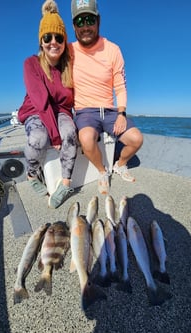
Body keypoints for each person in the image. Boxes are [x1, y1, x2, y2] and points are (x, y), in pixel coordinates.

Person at [69, 0, 144, 195]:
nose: (85, 26)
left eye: (89, 19)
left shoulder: (113, 49)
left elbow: (120, 87)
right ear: (74, 26)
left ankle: (120, 164)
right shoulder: (68, 52)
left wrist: (121, 113)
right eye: (80, 21)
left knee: (136, 139)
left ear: (98, 21)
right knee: (86, 139)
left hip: (110, 111)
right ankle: (103, 171)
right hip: (85, 112)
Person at [18, 0, 77, 208]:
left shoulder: (68, 68)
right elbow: (41, 101)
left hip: (60, 111)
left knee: (70, 132)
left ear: (64, 41)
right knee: (38, 137)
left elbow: (71, 102)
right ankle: (32, 175)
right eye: (48, 37)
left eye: (59, 37)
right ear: (41, 41)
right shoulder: (31, 64)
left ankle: (66, 183)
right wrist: (54, 134)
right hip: (35, 110)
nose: (54, 42)